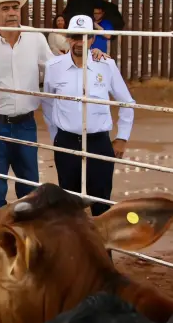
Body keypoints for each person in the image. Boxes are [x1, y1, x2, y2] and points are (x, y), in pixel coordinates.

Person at [0, 0, 108, 209]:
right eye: (5, 8)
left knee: (30, 186)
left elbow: (57, 66)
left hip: (26, 124)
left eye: (15, 7)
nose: (12, 12)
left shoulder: (35, 38)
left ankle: (27, 239)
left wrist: (89, 55)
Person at [42, 15, 134, 217]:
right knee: (68, 203)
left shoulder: (106, 65)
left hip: (98, 143)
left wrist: (121, 138)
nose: (79, 42)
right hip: (67, 142)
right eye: (75, 36)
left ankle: (102, 249)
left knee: (101, 203)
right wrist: (55, 136)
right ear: (68, 37)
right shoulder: (54, 67)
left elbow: (127, 102)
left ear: (92, 39)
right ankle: (72, 248)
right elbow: (48, 103)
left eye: (85, 37)